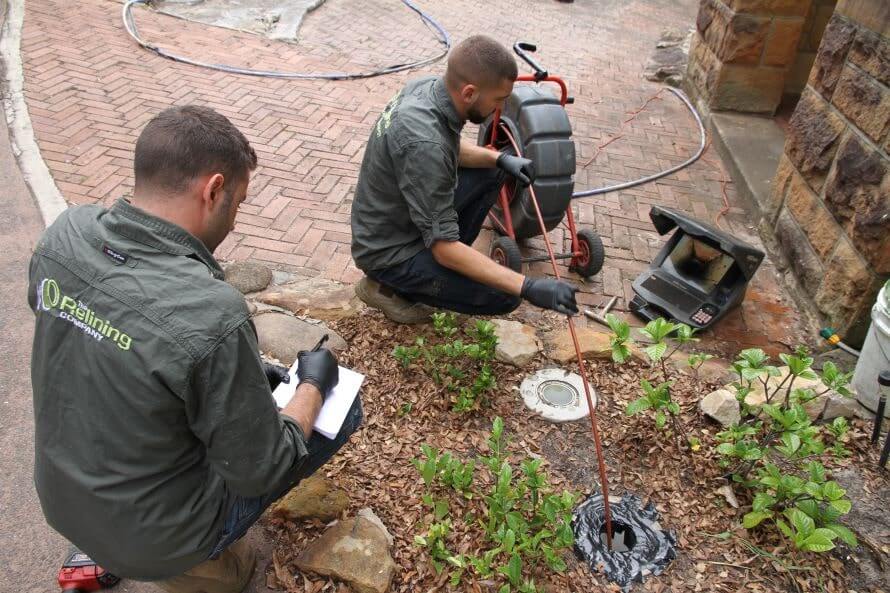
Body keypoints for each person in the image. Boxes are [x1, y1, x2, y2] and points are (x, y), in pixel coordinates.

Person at [28, 105, 360, 593]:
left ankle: (101, 546)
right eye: (239, 203)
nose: (235, 219)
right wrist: (311, 382)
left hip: (60, 498)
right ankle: (208, 568)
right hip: (161, 539)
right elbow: (262, 467)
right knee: (341, 411)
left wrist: (237, 374)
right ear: (214, 190)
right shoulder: (211, 312)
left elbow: (105, 349)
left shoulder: (63, 235)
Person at [351, 35, 579, 324]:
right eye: (498, 100)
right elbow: (444, 248)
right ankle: (387, 288)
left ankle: (441, 272)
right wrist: (528, 286)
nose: (499, 108)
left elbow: (447, 148)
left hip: (403, 219)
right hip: (388, 252)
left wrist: (501, 159)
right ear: (469, 93)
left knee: (494, 169)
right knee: (505, 295)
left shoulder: (428, 90)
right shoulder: (424, 142)